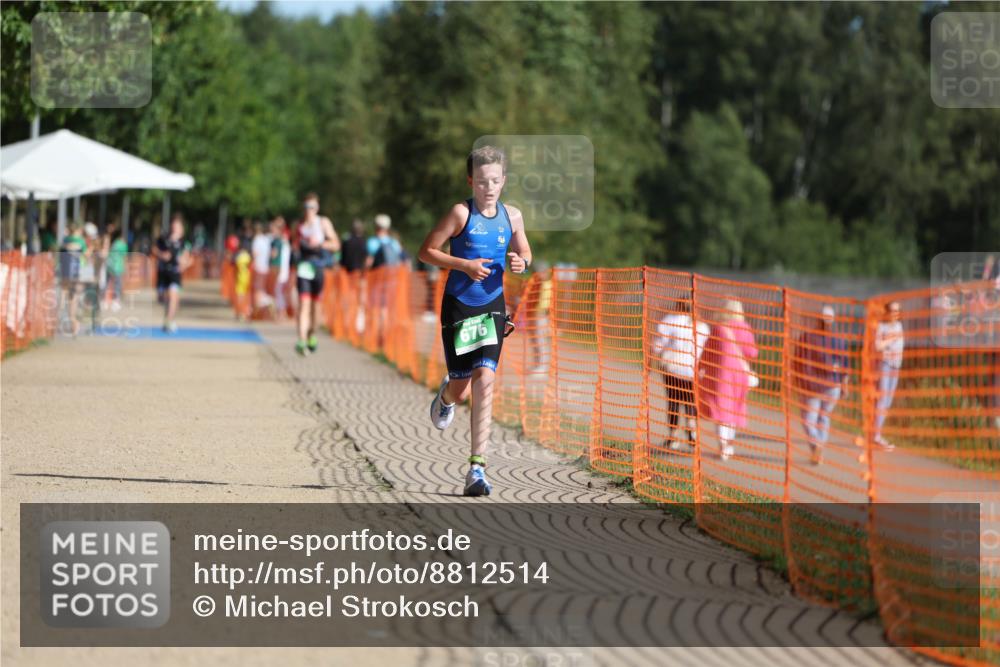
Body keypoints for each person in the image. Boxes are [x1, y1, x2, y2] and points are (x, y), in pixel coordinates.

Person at [418, 146, 532, 497]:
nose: (489, 188)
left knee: (486, 379)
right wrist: (463, 265)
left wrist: (521, 263)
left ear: (504, 181)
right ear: (471, 181)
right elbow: (426, 252)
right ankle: (447, 398)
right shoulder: (459, 213)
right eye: (482, 181)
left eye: (495, 181)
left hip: (493, 307)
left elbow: (526, 252)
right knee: (462, 385)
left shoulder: (512, 216)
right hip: (459, 307)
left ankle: (477, 469)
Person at [697, 298, 758, 461]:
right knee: (734, 409)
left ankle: (723, 445)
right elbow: (752, 353)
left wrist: (700, 368)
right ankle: (729, 444)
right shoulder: (746, 329)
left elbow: (707, 352)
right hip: (740, 376)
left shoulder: (719, 328)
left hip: (721, 375)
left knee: (722, 410)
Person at [650, 299, 710, 452]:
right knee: (691, 403)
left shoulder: (670, 321)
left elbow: (658, 346)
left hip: (673, 369)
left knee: (673, 402)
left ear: (678, 306)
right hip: (693, 371)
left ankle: (673, 436)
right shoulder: (702, 326)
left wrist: (654, 354)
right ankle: (692, 433)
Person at [793, 305, 849, 465]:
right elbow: (844, 365)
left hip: (812, 386)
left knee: (808, 421)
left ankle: (816, 445)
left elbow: (798, 362)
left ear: (818, 319)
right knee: (823, 417)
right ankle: (819, 448)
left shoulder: (806, 337)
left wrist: (797, 380)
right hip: (833, 386)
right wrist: (844, 385)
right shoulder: (839, 340)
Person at [294, 192, 340, 355]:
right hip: (304, 268)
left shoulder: (323, 223)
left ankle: (311, 334)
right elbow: (295, 247)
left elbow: (336, 244)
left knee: (316, 307)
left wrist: (321, 243)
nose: (309, 210)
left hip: (319, 268)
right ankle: (301, 340)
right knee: (303, 305)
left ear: (317, 207)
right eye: (306, 207)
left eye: (312, 207)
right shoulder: (299, 226)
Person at [153, 214, 192, 333]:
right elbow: (154, 249)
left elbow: (189, 258)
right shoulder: (163, 239)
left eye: (178, 226)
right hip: (163, 273)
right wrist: (162, 255)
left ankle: (169, 321)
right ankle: (168, 318)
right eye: (174, 225)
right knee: (165, 298)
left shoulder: (184, 242)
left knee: (173, 296)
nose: (175, 228)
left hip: (175, 273)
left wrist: (183, 264)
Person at [873, 300, 904, 450]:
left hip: (896, 367)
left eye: (897, 311)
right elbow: (878, 346)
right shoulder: (882, 326)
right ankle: (875, 435)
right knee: (882, 400)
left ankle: (875, 432)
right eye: (893, 310)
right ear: (887, 312)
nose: (895, 314)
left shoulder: (899, 326)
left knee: (888, 402)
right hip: (885, 365)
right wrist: (891, 338)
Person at [58, 223, 88, 337]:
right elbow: (86, 256)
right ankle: (73, 323)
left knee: (63, 294)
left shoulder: (65, 240)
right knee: (73, 298)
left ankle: (58, 319)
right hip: (76, 273)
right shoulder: (81, 241)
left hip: (64, 272)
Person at [270, 216, 292, 320]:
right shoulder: (284, 241)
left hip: (279, 269)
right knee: (280, 291)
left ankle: (281, 312)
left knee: (278, 291)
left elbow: (274, 255)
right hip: (283, 269)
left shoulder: (278, 241)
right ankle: (281, 312)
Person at [251, 221, 274, 317]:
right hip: (266, 268)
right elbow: (271, 254)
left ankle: (258, 311)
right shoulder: (267, 239)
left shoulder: (257, 239)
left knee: (258, 289)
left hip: (258, 267)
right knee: (262, 288)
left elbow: (255, 254)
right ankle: (264, 305)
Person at [105, 226, 128, 312]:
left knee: (108, 284)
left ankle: (106, 301)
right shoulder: (122, 244)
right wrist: (126, 268)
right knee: (117, 285)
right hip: (118, 266)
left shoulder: (111, 242)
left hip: (110, 265)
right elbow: (124, 256)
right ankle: (116, 301)